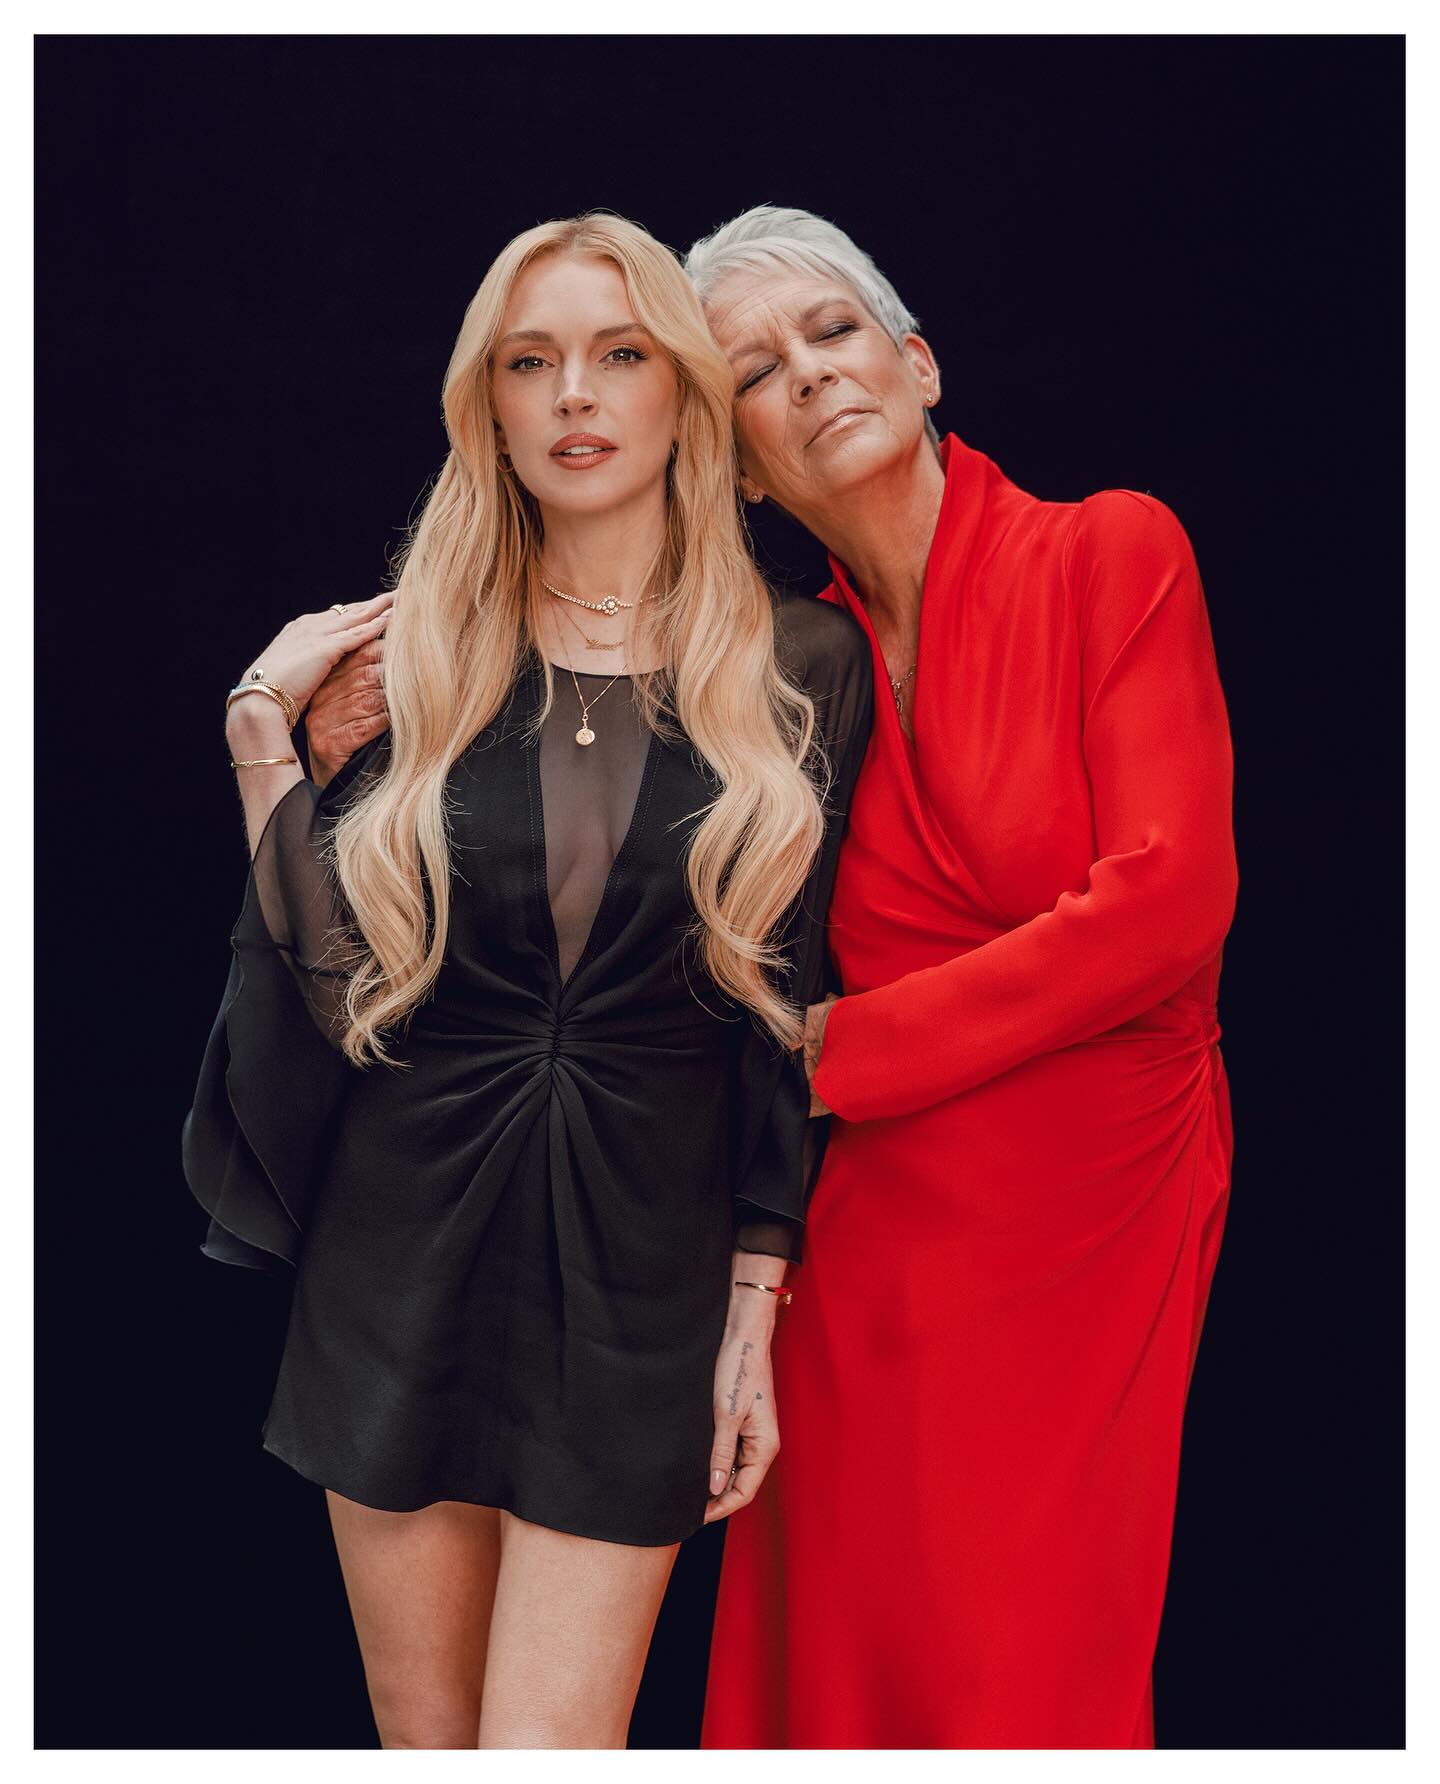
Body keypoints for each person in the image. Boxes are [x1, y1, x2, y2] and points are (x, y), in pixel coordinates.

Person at [181, 210, 873, 1750]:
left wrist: (754, 1303)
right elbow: (340, 997)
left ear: (682, 391)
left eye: (619, 355)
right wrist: (263, 749)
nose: (574, 395)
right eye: (530, 361)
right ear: (484, 404)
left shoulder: (799, 665)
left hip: (642, 1282)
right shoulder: (417, 656)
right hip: (399, 1263)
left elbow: (785, 1011)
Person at [678, 206, 1238, 1749]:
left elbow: (1171, 902)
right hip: (863, 1256)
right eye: (755, 372)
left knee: (1022, 1676)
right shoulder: (785, 671)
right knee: (842, 1674)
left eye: (834, 331)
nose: (809, 374)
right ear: (737, 466)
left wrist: (835, 1052)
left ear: (918, 365)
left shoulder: (1110, 549)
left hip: (1091, 1203)